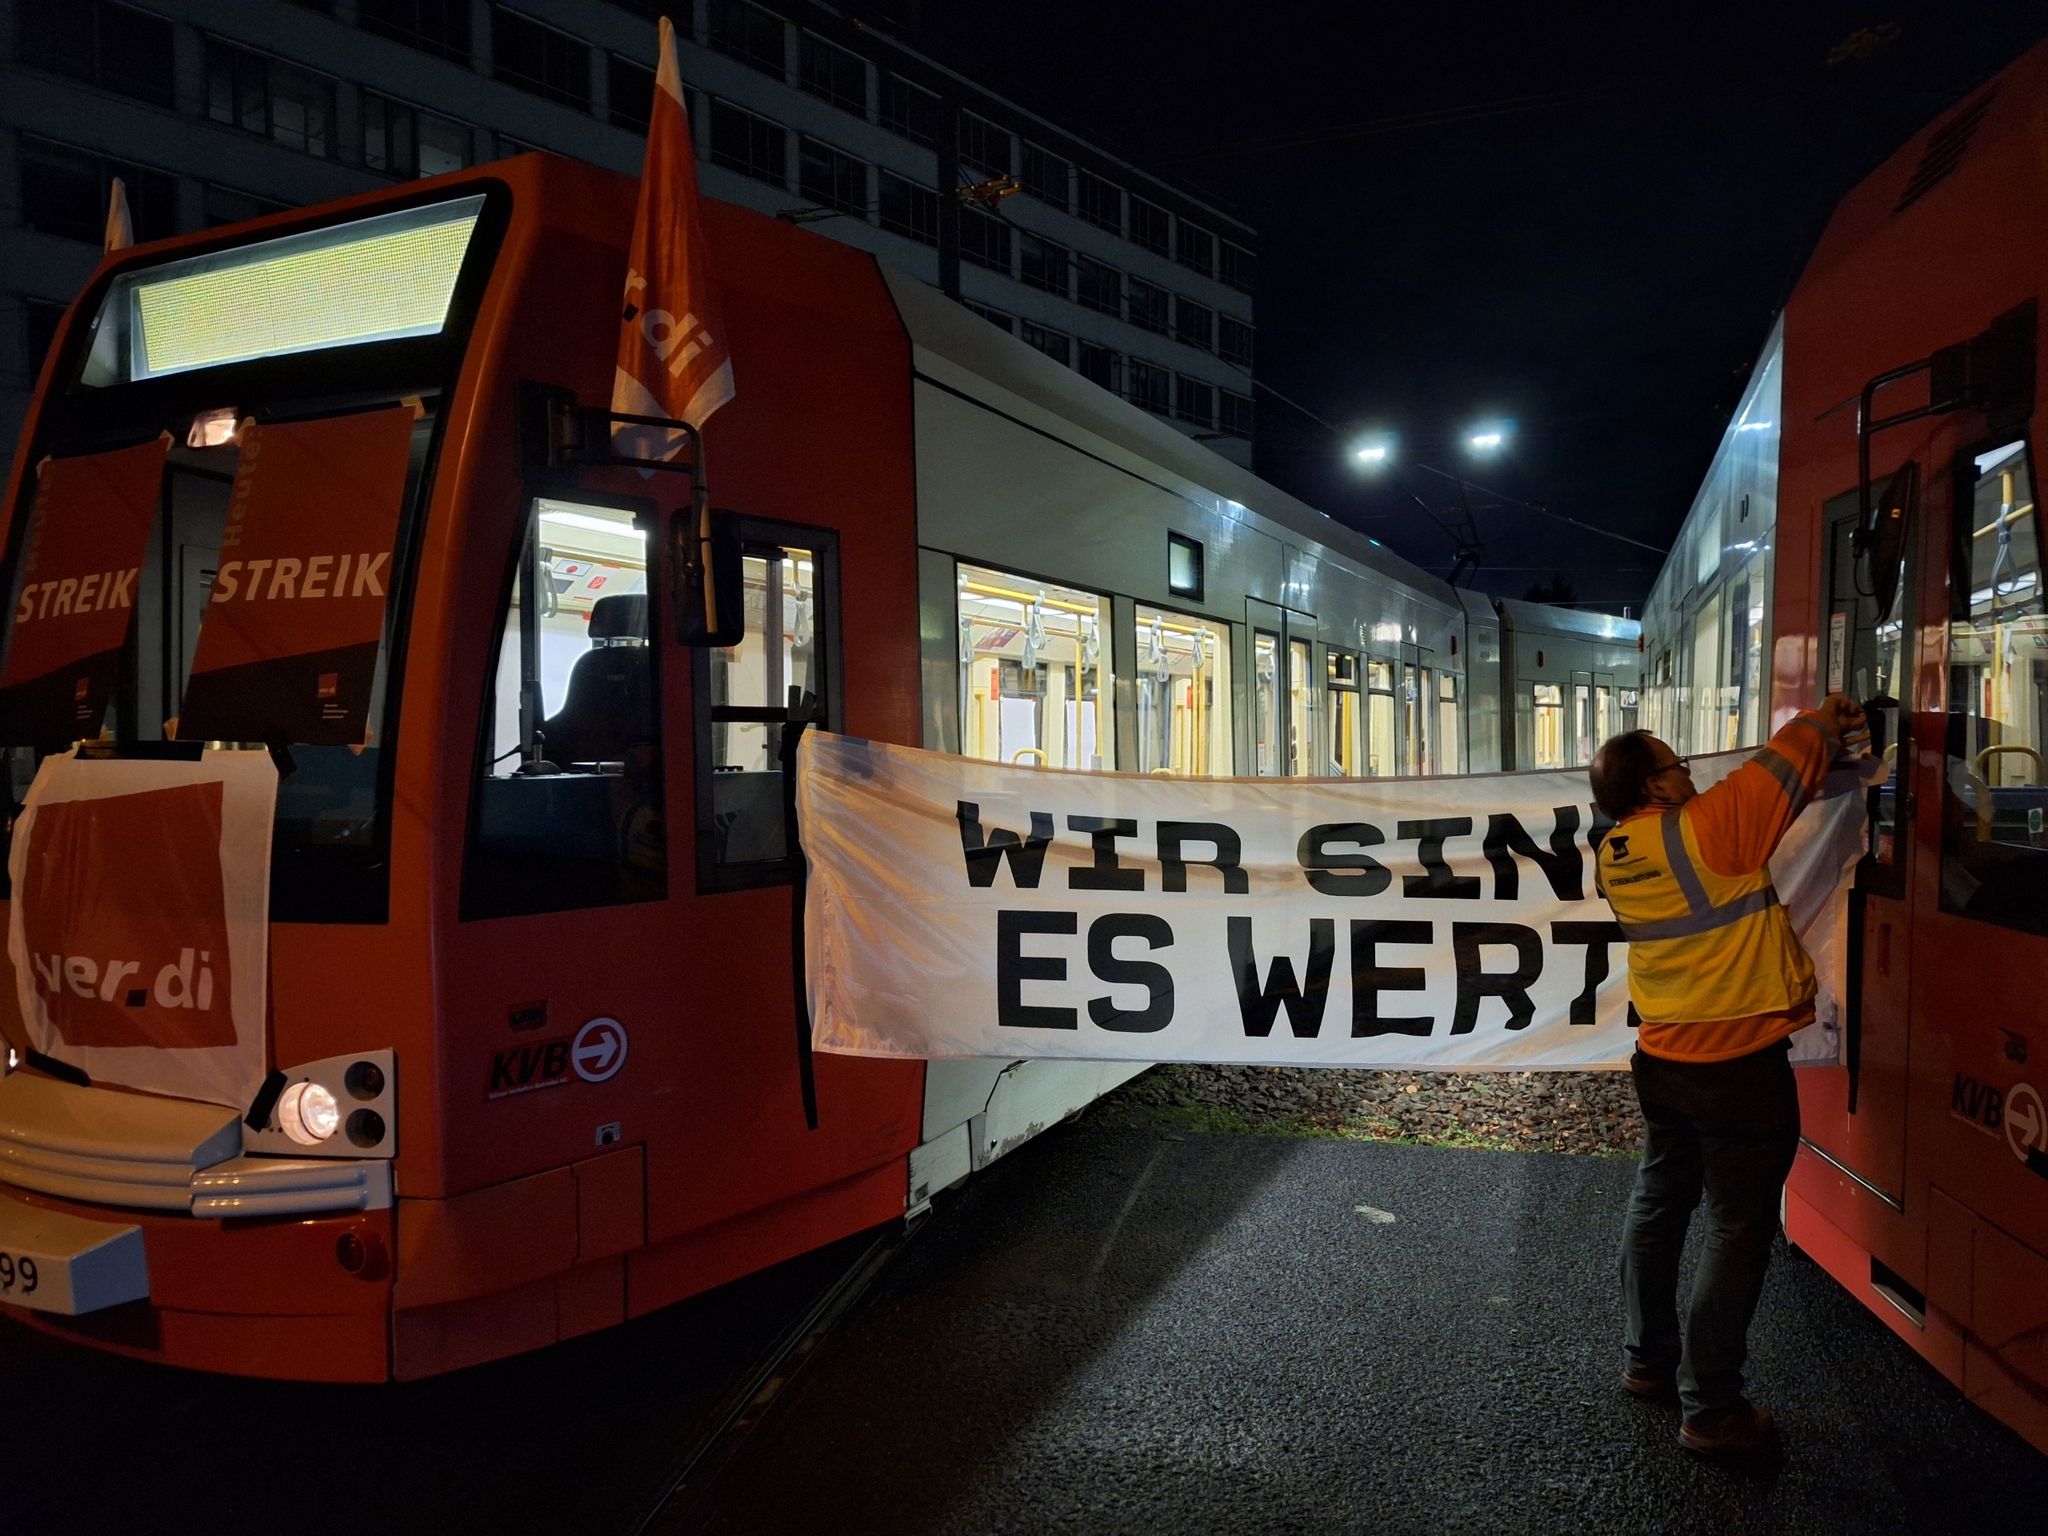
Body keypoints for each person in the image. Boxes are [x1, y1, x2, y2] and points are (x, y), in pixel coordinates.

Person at [1589, 694, 1866, 1458]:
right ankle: (1711, 1409)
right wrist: (1834, 712)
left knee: (1658, 1201)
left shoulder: (1613, 853)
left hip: (1664, 1061)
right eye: (1678, 766)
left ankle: (1647, 1363)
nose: (1690, 775)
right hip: (1737, 1067)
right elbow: (1784, 760)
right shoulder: (1709, 829)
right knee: (1736, 1224)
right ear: (1654, 787)